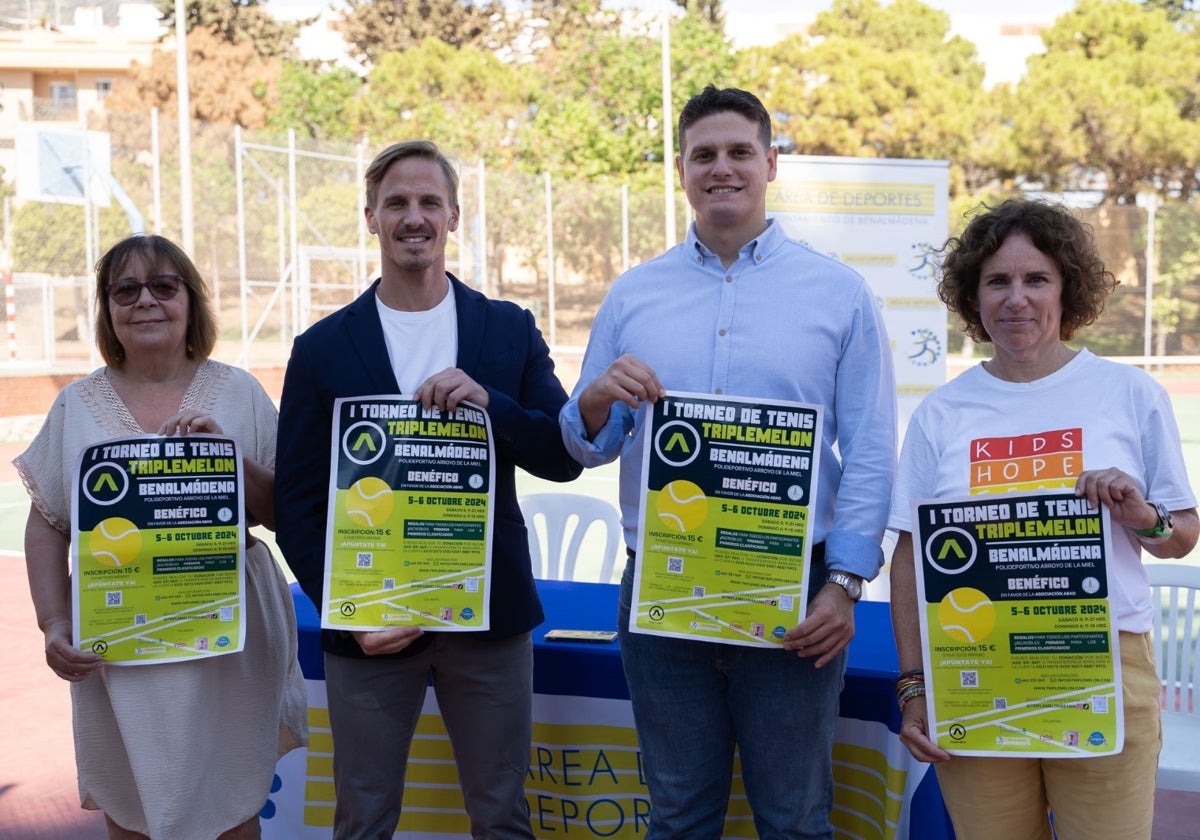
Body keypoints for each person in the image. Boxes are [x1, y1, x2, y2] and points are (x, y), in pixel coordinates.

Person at [559, 85, 897, 838]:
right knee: (678, 815)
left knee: (796, 815)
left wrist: (843, 586)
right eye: (703, 154)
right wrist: (589, 403)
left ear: (771, 163)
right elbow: (588, 443)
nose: (722, 168)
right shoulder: (633, 295)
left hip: (795, 596)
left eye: (740, 152)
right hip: (661, 593)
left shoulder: (837, 293)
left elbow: (871, 450)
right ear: (680, 168)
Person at [274, 139, 582, 839]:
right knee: (363, 817)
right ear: (371, 218)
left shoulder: (506, 328)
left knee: (502, 816)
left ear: (454, 216)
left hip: (489, 619)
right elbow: (296, 499)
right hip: (372, 625)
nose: (413, 217)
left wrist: (490, 405)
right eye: (397, 204)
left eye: (428, 203)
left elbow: (562, 457)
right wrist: (346, 607)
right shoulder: (321, 348)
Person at [888, 198, 1199, 840]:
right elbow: (910, 558)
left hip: (1103, 668)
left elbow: (1181, 538)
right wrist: (914, 686)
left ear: (1068, 287)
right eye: (997, 281)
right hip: (973, 669)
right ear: (974, 298)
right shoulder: (942, 414)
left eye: (1036, 279)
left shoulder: (1130, 394)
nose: (1016, 299)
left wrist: (1142, 516)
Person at [14, 234, 307, 840]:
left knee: (232, 802)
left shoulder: (239, 392)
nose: (145, 300)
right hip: (119, 637)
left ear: (190, 302)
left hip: (229, 640)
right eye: (126, 289)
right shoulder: (76, 403)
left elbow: (284, 511)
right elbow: (47, 520)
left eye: (164, 286)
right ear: (108, 309)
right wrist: (52, 624)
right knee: (133, 805)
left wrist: (226, 457)